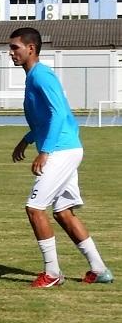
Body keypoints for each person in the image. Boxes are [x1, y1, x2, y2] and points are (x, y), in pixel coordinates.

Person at [9, 27, 113, 288]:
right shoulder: (34, 76)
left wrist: (45, 152)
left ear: (30, 48)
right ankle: (100, 269)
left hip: (61, 150)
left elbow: (58, 114)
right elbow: (46, 119)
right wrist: (27, 139)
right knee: (63, 212)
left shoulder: (42, 76)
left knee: (35, 208)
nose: (11, 52)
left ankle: (52, 273)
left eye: (14, 47)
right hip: (66, 148)